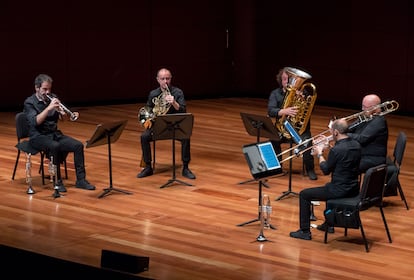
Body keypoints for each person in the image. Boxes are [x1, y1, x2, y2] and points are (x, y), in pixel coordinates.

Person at [289, 118, 361, 240]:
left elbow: (326, 170)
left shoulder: (337, 150)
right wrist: (330, 147)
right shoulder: (356, 145)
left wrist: (320, 154)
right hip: (353, 188)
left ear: (336, 132)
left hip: (339, 190)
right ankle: (329, 225)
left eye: (331, 130)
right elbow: (343, 157)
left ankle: (304, 231)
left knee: (304, 195)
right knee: (327, 186)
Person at [24, 74, 96, 192]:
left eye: (49, 89)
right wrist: (48, 109)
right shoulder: (29, 102)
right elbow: (35, 122)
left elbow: (64, 120)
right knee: (55, 146)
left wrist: (64, 114)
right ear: (37, 88)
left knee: (78, 145)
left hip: (54, 134)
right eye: (44, 89)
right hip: (38, 136)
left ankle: (81, 180)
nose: (48, 92)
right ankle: (57, 181)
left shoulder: (52, 98)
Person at [137, 68, 196, 179]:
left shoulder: (178, 92)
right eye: (162, 79)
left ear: (171, 79)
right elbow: (148, 111)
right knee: (144, 137)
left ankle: (185, 168)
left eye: (167, 78)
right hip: (158, 126)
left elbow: (183, 111)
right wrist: (150, 118)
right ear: (158, 80)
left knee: (186, 137)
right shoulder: (153, 94)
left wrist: (174, 102)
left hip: (175, 127)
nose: (165, 81)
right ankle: (148, 167)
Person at [267, 67, 317, 180]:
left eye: (290, 80)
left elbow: (310, 111)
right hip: (282, 129)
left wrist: (303, 102)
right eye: (285, 79)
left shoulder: (303, 92)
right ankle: (277, 167)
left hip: (300, 130)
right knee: (273, 139)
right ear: (281, 80)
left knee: (307, 143)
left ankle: (310, 169)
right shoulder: (275, 94)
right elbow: (270, 111)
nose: (288, 82)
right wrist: (283, 111)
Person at [347, 93, 388, 173]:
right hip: (363, 153)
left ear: (375, 107)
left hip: (373, 158)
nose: (362, 109)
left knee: (346, 166)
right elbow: (351, 128)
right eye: (363, 106)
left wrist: (343, 134)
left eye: (365, 107)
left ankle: (349, 185)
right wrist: (340, 126)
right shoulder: (367, 116)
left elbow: (362, 139)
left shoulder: (379, 121)